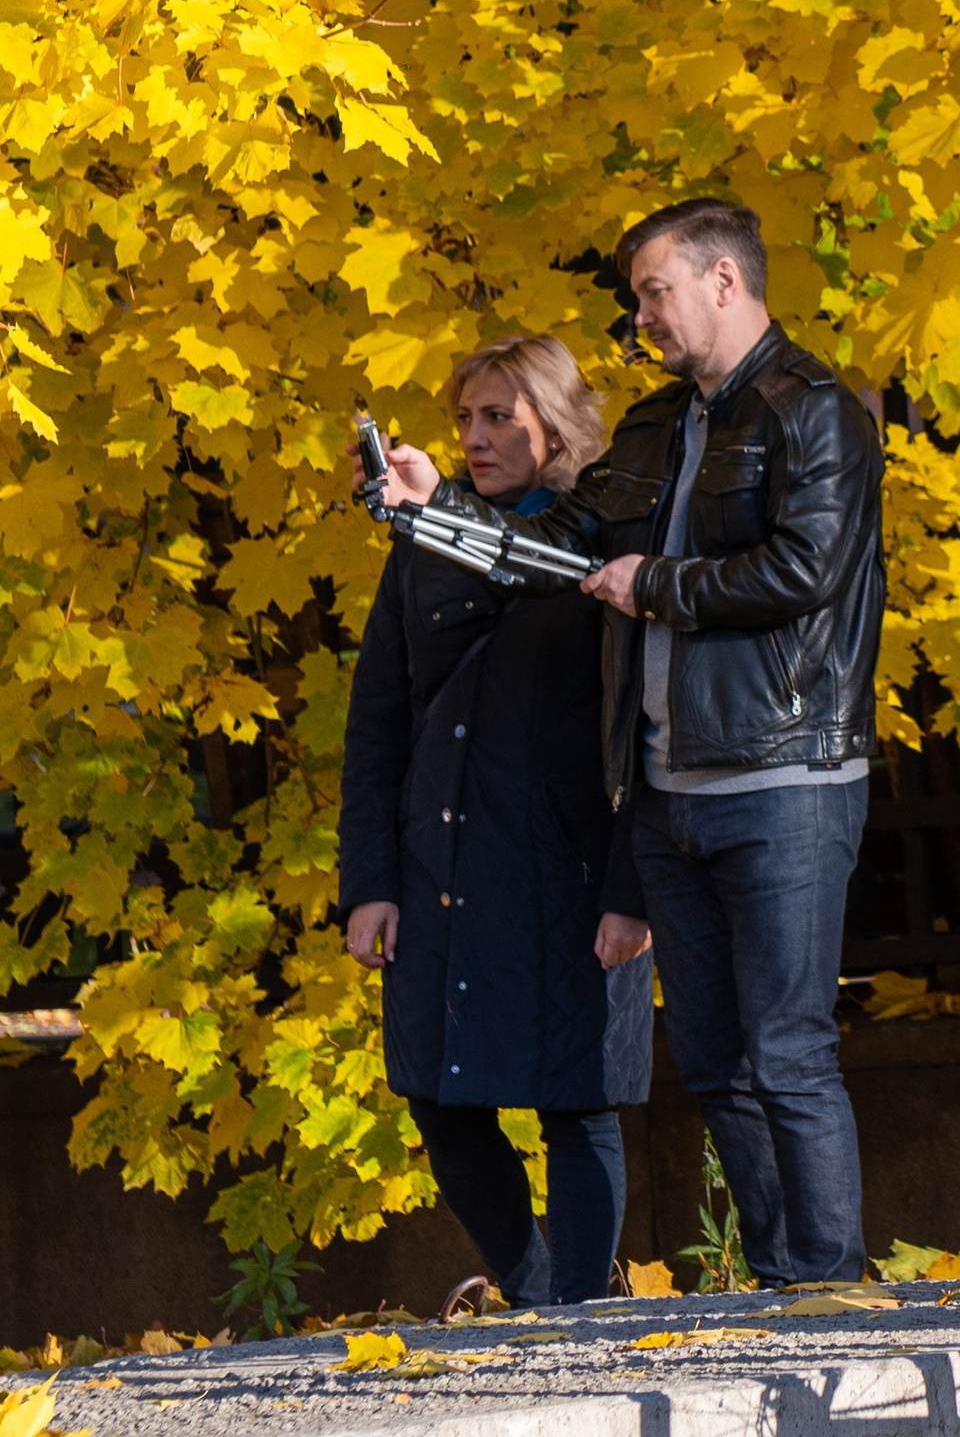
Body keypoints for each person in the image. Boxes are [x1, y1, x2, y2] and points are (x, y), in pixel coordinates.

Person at [578, 199, 884, 1291]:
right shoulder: (659, 427)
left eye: (653, 292)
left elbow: (806, 570)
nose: (642, 316)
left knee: (788, 1049)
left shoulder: (815, 414)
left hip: (786, 777)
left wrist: (656, 585)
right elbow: (573, 538)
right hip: (668, 787)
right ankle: (780, 1274)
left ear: (722, 281)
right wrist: (439, 509)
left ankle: (832, 1285)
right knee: (711, 1058)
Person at [338, 335, 653, 1310]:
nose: (473, 436)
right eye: (464, 416)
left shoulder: (602, 531)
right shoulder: (425, 548)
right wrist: (370, 882)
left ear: (552, 425)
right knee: (437, 1089)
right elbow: (378, 720)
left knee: (576, 1099)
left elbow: (645, 719)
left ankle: (580, 1313)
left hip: (569, 866)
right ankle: (534, 1286)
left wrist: (629, 890)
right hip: (443, 865)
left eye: (497, 417)